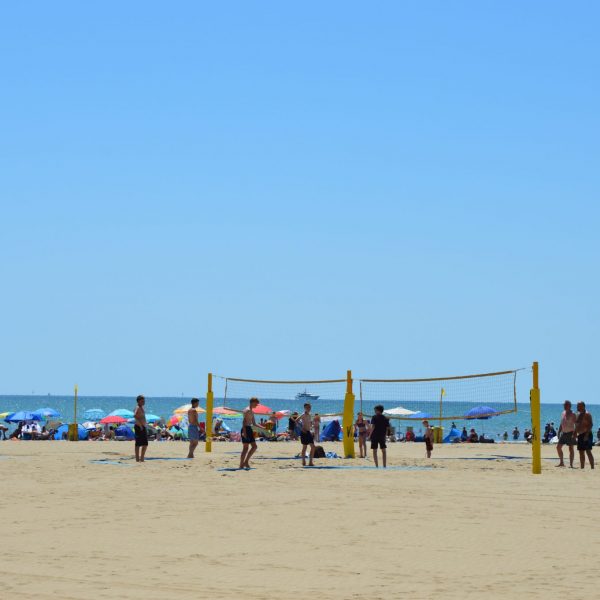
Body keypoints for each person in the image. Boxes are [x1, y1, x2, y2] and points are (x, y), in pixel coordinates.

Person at [239, 397, 259, 469]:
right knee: (245, 448)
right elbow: (244, 422)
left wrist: (264, 428)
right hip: (245, 429)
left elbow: (254, 423)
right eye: (256, 404)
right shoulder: (247, 410)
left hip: (249, 429)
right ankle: (241, 464)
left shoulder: (251, 411)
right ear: (252, 402)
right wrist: (244, 432)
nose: (257, 405)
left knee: (254, 447)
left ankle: (246, 461)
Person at [556, 400, 577, 468]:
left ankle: (571, 464)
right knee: (558, 447)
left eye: (565, 405)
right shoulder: (563, 413)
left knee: (571, 449)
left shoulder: (573, 414)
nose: (564, 406)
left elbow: (576, 425)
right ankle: (561, 462)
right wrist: (559, 432)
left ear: (569, 406)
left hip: (571, 433)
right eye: (564, 405)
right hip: (564, 433)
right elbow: (561, 423)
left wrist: (575, 434)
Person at [575, 401, 594, 469]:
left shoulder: (587, 414)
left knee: (588, 451)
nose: (577, 407)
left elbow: (591, 424)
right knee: (581, 452)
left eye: (578, 406)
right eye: (577, 406)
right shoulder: (578, 414)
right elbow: (577, 425)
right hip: (580, 435)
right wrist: (575, 434)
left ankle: (592, 468)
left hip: (587, 434)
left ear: (583, 406)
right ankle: (582, 468)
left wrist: (586, 435)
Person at [134, 394, 148, 463]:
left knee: (145, 444)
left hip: (143, 427)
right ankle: (137, 459)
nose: (144, 402)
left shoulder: (142, 407)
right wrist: (140, 425)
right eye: (142, 401)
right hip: (139, 427)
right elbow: (135, 416)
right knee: (138, 444)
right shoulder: (137, 407)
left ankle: (142, 458)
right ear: (139, 401)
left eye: (144, 400)